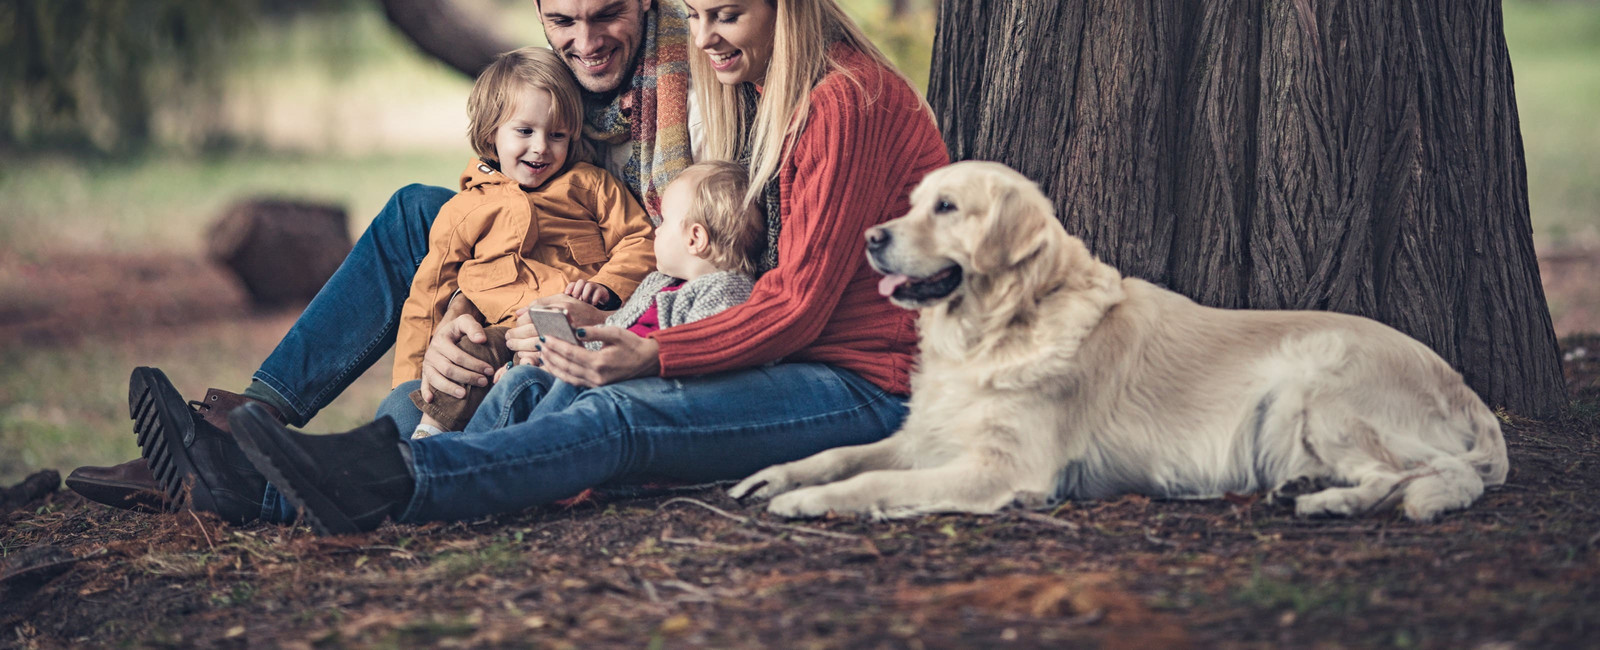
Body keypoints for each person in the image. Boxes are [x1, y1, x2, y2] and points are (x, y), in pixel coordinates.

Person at [131, 0, 951, 535]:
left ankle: (362, 473)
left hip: (836, 363)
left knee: (619, 414)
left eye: (725, 13)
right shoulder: (685, 76)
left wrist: (642, 342)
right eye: (698, 14)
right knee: (428, 221)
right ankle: (255, 442)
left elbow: (762, 284)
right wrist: (467, 307)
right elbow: (503, 207)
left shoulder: (784, 96)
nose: (704, 35)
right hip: (696, 310)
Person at [67, 0, 699, 514]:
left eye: (607, 14)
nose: (585, 40)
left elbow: (695, 260)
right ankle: (242, 423)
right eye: (562, 21)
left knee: (407, 419)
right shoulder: (559, 94)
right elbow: (491, 222)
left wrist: (595, 310)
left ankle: (246, 480)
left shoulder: (696, 71)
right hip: (514, 297)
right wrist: (453, 318)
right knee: (414, 213)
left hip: (608, 311)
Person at [400, 46, 656, 440]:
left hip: (566, 325)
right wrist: (412, 381)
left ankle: (508, 438)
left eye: (557, 135)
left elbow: (639, 239)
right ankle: (430, 436)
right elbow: (429, 296)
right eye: (525, 131)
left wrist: (606, 286)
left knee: (534, 372)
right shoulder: (466, 209)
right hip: (499, 327)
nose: (541, 147)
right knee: (470, 347)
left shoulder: (590, 185)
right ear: (491, 135)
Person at [421, 159, 764, 436]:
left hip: (635, 398)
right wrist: (555, 353)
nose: (656, 230)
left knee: (536, 391)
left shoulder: (725, 289)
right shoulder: (660, 283)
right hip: (593, 381)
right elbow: (613, 335)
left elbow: (703, 354)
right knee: (520, 378)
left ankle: (486, 456)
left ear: (696, 239)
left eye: (665, 222)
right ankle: (470, 448)